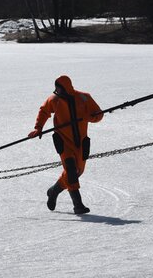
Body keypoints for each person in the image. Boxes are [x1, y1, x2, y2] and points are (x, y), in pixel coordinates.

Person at [28, 75, 103, 214]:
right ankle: (78, 205)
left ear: (66, 88)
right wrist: (38, 128)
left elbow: (99, 114)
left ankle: (53, 191)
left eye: (58, 88)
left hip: (81, 142)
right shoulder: (54, 100)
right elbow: (44, 111)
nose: (56, 90)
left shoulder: (84, 98)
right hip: (63, 142)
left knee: (77, 171)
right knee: (71, 171)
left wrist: (90, 117)